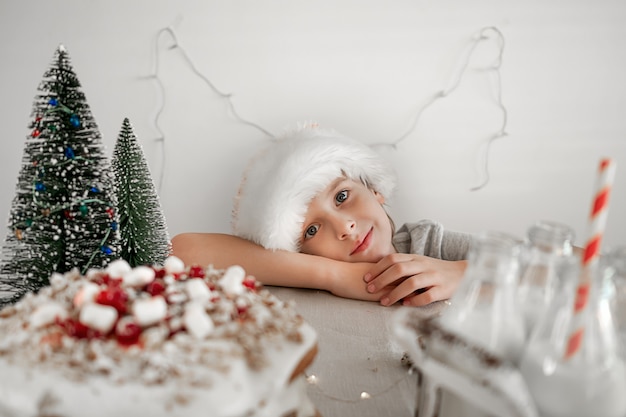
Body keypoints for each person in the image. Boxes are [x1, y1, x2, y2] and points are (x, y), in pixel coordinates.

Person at [171, 124, 472, 307]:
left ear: (375, 190)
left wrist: (463, 275)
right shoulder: (301, 275)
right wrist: (336, 276)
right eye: (311, 231)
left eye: (342, 196)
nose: (344, 227)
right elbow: (183, 249)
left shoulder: (428, 244)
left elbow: (519, 267)